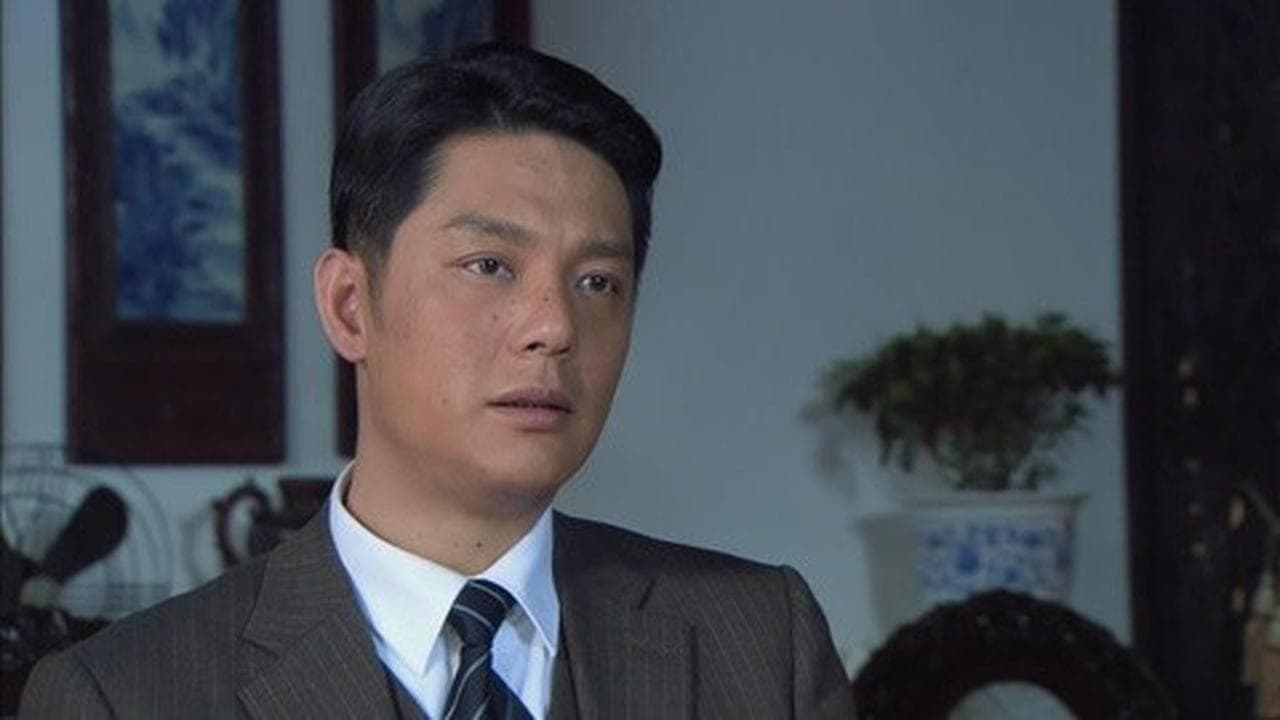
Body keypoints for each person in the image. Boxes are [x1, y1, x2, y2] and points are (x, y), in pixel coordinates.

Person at [21, 44, 855, 719]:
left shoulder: (758, 643)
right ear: (350, 306)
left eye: (598, 282)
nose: (554, 326)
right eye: (489, 265)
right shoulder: (127, 695)